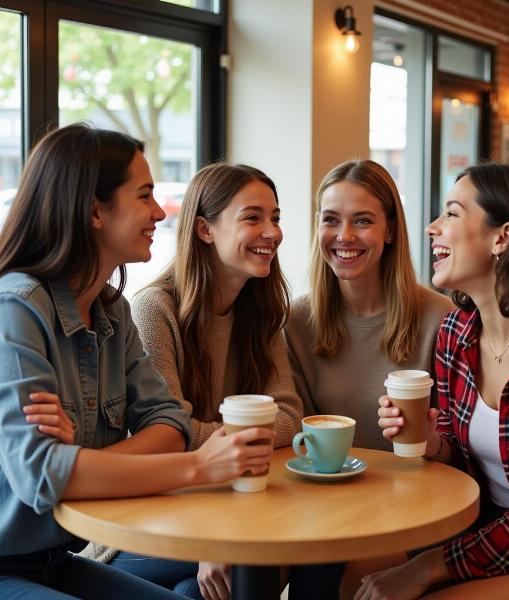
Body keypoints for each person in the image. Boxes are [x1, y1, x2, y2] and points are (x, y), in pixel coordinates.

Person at [0, 124, 275, 600]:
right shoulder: (16, 310)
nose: (160, 211)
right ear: (94, 211)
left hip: (53, 561)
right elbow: (42, 475)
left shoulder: (111, 310)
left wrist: (81, 464)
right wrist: (197, 468)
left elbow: (170, 423)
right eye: (144, 195)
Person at [361, 163, 509, 600]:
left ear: (502, 237)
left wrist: (426, 568)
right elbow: (462, 456)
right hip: (481, 529)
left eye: (451, 214)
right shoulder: (457, 334)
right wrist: (435, 443)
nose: (433, 228)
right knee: (359, 566)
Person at [103, 163, 302, 600]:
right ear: (205, 230)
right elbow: (173, 436)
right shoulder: (155, 310)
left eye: (276, 218)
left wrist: (220, 448)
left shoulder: (260, 309)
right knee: (258, 557)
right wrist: (221, 532)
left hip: (234, 501)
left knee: (199, 590)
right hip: (148, 519)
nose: (272, 232)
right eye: (253, 218)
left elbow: (290, 415)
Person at [284, 159, 451, 597]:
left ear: (390, 230)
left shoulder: (440, 319)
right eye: (331, 220)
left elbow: (458, 455)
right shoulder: (295, 322)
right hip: (327, 510)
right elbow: (296, 443)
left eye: (363, 221)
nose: (344, 237)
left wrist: (432, 443)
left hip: (419, 512)